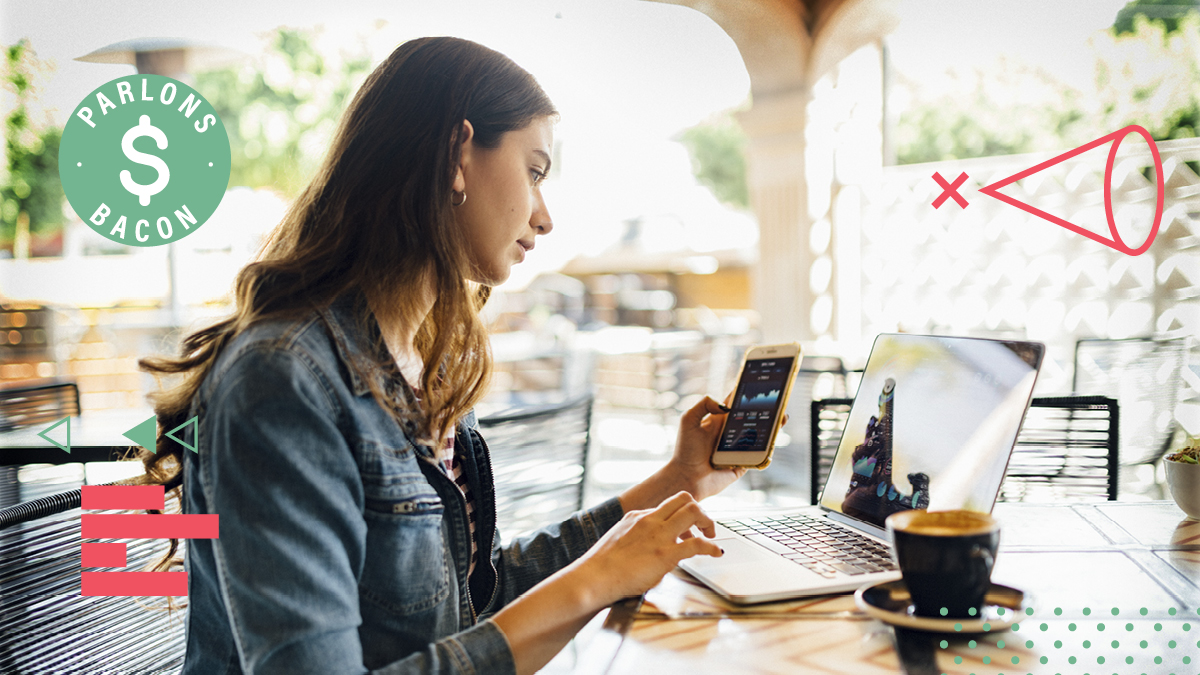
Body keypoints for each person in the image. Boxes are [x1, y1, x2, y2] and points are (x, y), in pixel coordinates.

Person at [138, 36, 748, 675]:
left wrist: (680, 481)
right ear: (458, 153)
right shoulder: (281, 380)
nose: (545, 217)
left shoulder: (430, 361)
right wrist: (595, 580)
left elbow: (472, 604)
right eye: (534, 171)